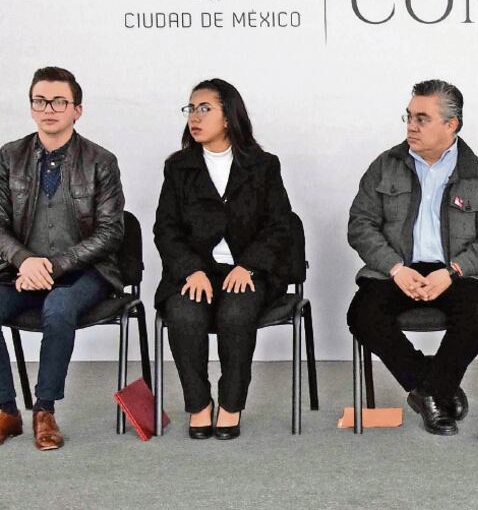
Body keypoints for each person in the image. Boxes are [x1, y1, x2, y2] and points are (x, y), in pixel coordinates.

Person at [347, 79, 478, 436]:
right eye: (408, 116)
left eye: (422, 118)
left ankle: (430, 391)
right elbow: (360, 225)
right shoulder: (384, 165)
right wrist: (395, 268)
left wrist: (453, 271)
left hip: (457, 273)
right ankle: (437, 388)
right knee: (363, 313)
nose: (410, 126)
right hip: (397, 269)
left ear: (451, 125)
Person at [153, 79, 292, 440]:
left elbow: (280, 226)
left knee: (236, 312)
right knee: (184, 313)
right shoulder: (179, 167)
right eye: (191, 109)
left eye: (204, 109)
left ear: (228, 117)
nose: (194, 117)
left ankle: (231, 404)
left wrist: (249, 266)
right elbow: (165, 230)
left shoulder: (263, 165)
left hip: (247, 270)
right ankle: (199, 405)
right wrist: (190, 270)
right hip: (193, 272)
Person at [0, 67, 125, 450]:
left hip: (85, 272)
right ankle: (6, 411)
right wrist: (25, 261)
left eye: (58, 101)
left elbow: (111, 232)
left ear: (77, 110)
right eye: (40, 100)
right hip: (21, 271)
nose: (48, 108)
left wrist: (50, 267)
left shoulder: (100, 161)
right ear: (31, 106)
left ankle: (44, 410)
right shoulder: (8, 157)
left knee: (58, 306)